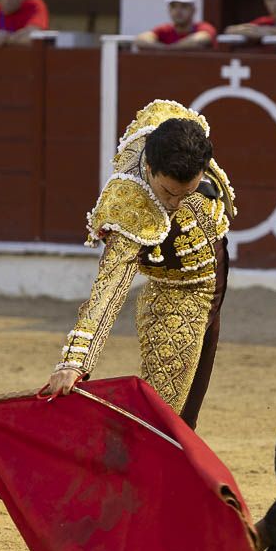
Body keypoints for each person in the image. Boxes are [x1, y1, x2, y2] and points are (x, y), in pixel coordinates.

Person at [46, 100, 237, 430]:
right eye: (167, 192)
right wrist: (75, 361)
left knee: (185, 410)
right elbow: (109, 288)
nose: (174, 204)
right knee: (164, 418)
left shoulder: (178, 131)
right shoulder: (130, 204)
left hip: (216, 269)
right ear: (149, 169)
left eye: (186, 193)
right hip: (177, 292)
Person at [135, 0, 216, 50]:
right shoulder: (165, 29)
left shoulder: (204, 27)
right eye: (173, 6)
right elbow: (141, 39)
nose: (178, 11)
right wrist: (164, 49)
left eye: (184, 6)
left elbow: (201, 39)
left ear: (193, 10)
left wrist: (169, 49)